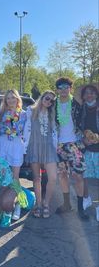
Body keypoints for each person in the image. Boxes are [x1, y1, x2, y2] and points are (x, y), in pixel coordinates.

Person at [55, 77, 88, 220]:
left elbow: (85, 88)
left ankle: (80, 208)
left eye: (66, 86)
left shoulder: (76, 102)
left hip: (75, 145)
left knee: (78, 177)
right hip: (59, 146)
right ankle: (67, 204)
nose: (63, 89)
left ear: (70, 88)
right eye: (60, 87)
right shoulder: (53, 104)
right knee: (62, 175)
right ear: (57, 89)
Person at [24, 91, 58, 218]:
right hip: (34, 147)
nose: (48, 101)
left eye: (51, 101)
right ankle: (38, 205)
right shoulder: (30, 111)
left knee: (53, 178)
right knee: (36, 178)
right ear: (42, 97)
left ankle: (46, 203)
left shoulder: (52, 115)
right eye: (47, 98)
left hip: (49, 147)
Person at [0, 89, 26, 220]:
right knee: (2, 176)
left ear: (17, 99)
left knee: (15, 177)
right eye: (8, 98)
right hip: (3, 143)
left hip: (16, 145)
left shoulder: (24, 114)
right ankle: (1, 206)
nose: (11, 100)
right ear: (5, 100)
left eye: (13, 97)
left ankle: (17, 204)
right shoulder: (0, 113)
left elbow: (26, 131)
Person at [80, 84, 99, 221]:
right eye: (87, 93)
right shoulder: (82, 110)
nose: (89, 95)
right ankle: (86, 198)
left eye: (92, 93)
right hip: (87, 150)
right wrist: (83, 140)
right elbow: (78, 128)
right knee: (84, 177)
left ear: (96, 95)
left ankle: (98, 207)